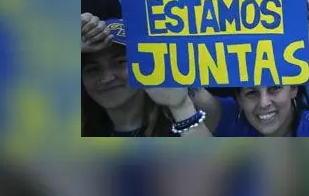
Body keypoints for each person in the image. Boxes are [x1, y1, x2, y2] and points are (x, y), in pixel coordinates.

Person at [202, 0, 309, 137]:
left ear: (293, 88)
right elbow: (191, 96)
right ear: (239, 99)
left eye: (275, 88)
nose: (264, 102)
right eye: (251, 93)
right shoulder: (236, 125)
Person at [81, 15, 213, 137]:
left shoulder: (183, 117)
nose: (107, 77)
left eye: (120, 62)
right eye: (93, 69)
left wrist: (181, 108)